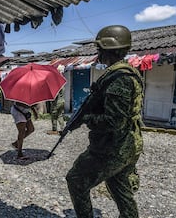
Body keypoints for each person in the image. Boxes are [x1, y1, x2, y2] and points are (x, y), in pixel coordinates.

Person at [65, 25, 144, 218]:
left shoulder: (120, 78)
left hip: (113, 147)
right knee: (119, 186)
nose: (98, 54)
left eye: (100, 49)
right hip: (129, 144)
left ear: (109, 50)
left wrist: (88, 119)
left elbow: (114, 121)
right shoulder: (126, 72)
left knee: (76, 180)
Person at [47, 65, 66, 135]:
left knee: (54, 115)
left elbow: (56, 94)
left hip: (57, 102)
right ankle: (63, 128)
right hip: (62, 101)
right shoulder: (62, 80)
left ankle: (54, 129)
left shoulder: (57, 81)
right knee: (60, 115)